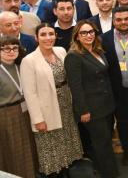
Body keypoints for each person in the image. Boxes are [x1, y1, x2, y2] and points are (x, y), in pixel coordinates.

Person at [21, 23, 83, 177]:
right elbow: (30, 93)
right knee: (51, 146)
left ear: (56, 35)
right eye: (43, 34)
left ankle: (66, 170)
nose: (48, 38)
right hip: (46, 109)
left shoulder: (61, 51)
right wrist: (38, 119)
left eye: (51, 34)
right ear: (36, 38)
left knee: (67, 140)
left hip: (66, 104)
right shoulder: (29, 60)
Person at [64, 21, 118, 178]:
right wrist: (83, 110)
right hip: (91, 110)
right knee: (102, 144)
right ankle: (109, 174)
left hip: (107, 105)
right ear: (77, 36)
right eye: (84, 33)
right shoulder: (73, 57)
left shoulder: (98, 51)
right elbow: (76, 87)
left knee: (107, 141)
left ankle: (108, 170)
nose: (88, 35)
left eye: (91, 32)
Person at [102, 6, 128, 166]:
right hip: (118, 89)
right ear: (113, 21)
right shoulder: (103, 39)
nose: (123, 22)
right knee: (123, 122)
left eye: (127, 19)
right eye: (119, 19)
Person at [0, 35, 38, 178]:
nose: (11, 51)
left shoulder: (20, 67)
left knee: (27, 149)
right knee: (12, 151)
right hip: (6, 115)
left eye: (14, 48)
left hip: (24, 112)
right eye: (5, 48)